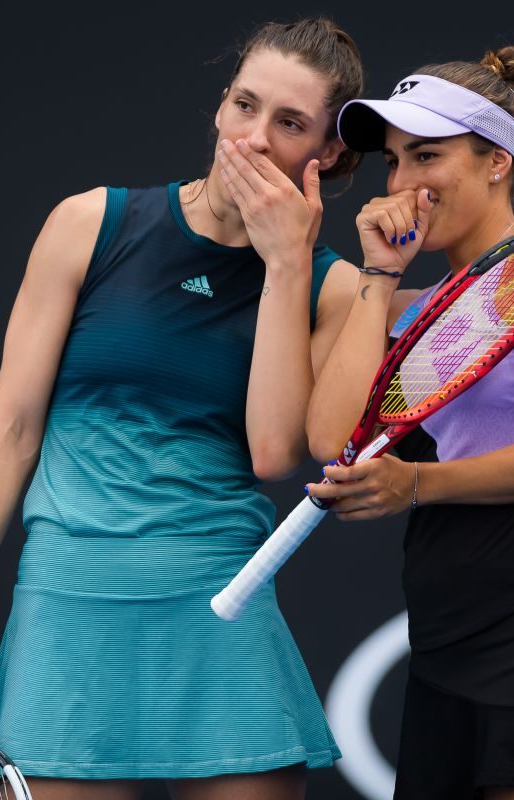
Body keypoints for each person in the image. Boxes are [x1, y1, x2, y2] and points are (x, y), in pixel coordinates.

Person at [0, 18, 364, 800]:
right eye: (244, 105)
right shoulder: (88, 224)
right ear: (220, 105)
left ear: (326, 155)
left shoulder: (332, 288)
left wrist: (287, 263)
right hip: (69, 612)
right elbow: (10, 429)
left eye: (288, 124)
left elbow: (270, 455)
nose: (253, 139)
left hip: (219, 614)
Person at [304, 47, 514, 799]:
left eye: (425, 155)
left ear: (495, 160)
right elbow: (330, 441)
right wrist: (381, 273)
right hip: (444, 622)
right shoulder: (414, 305)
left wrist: (416, 483)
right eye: (393, 162)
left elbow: (407, 478)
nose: (402, 185)